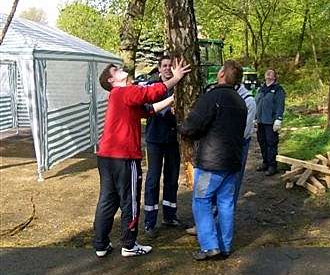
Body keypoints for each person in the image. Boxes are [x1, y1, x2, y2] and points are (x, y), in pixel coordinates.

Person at [93, 59, 190, 258]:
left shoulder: (118, 97)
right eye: (116, 70)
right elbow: (150, 93)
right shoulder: (123, 91)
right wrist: (177, 78)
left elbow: (147, 110)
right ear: (112, 80)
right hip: (124, 157)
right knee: (130, 200)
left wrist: (171, 100)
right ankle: (129, 244)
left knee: (107, 200)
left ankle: (101, 244)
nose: (121, 70)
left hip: (106, 157)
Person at [180, 60, 247, 261]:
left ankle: (210, 246)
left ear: (221, 74)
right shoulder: (240, 101)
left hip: (211, 162)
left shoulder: (212, 97)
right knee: (226, 203)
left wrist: (181, 127)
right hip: (232, 160)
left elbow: (193, 125)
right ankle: (225, 246)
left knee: (201, 201)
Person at [185, 81, 256, 237]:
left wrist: (184, 128)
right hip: (229, 153)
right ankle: (223, 243)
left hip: (220, 154)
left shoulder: (246, 100)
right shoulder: (237, 100)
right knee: (225, 200)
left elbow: (243, 131)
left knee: (203, 198)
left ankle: (209, 242)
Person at [144, 56, 180, 237]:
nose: (167, 69)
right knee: (153, 179)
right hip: (155, 139)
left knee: (172, 178)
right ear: (159, 69)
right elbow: (147, 108)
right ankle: (149, 221)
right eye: (164, 66)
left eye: (170, 66)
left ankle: (170, 215)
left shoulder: (180, 87)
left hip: (173, 139)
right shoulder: (152, 87)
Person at [255, 68, 285, 176]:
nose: (268, 73)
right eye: (267, 72)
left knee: (271, 143)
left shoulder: (278, 90)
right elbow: (256, 104)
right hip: (260, 121)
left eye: (271, 72)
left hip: (271, 122)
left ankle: (272, 166)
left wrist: (278, 119)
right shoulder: (261, 89)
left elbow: (280, 105)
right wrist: (255, 118)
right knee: (262, 142)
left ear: (274, 77)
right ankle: (265, 163)